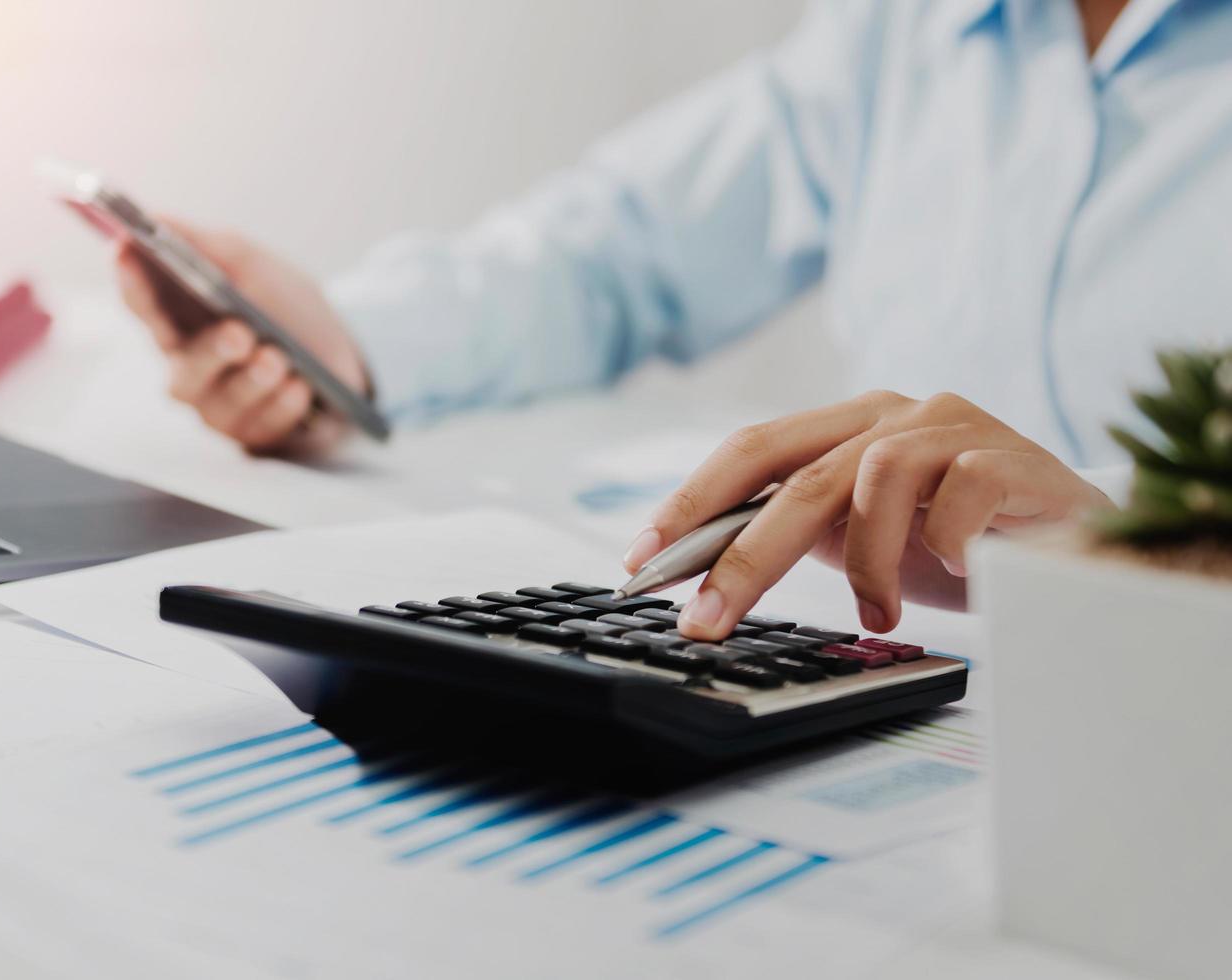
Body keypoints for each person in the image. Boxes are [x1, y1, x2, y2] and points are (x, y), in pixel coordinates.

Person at [116, 0, 1232, 641]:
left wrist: (1125, 544)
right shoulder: (903, 25)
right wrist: (342, 350)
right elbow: (619, 250)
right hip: (903, 684)